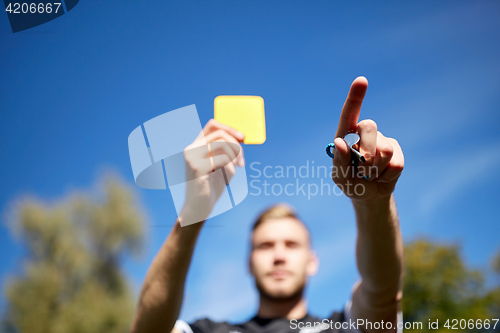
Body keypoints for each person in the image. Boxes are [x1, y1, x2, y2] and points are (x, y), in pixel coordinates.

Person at [130, 77, 405, 333]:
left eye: (292, 245)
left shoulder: (343, 327)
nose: (278, 256)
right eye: (265, 246)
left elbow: (383, 294)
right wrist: (193, 212)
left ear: (313, 262)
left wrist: (373, 203)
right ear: (249, 263)